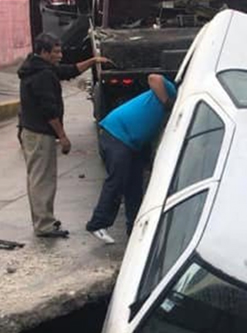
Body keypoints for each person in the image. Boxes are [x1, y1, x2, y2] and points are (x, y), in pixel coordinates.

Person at [17, 33, 111, 238]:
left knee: (38, 178)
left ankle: (44, 220)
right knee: (42, 179)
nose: (60, 55)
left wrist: (93, 60)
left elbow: (68, 70)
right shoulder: (41, 76)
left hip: (32, 132)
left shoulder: (40, 67)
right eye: (56, 51)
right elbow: (49, 111)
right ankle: (44, 225)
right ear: (43, 52)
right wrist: (63, 137)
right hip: (39, 134)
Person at [86, 74, 177, 244]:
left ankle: (134, 228)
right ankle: (97, 224)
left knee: (134, 184)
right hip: (117, 134)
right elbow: (153, 78)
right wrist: (167, 102)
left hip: (132, 143)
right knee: (118, 179)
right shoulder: (171, 91)